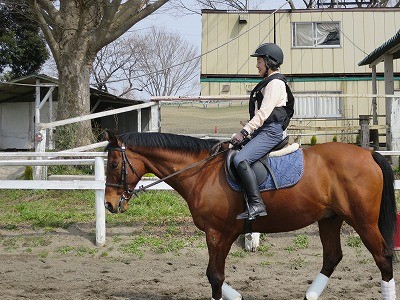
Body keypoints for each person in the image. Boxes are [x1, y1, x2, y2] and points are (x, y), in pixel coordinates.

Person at [230, 42, 294, 220]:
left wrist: (244, 132)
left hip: (271, 131)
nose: (257, 65)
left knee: (241, 159)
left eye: (259, 61)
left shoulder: (275, 83)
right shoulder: (269, 83)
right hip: (264, 130)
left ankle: (257, 204)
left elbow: (264, 113)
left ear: (269, 62)